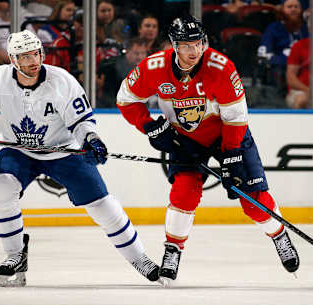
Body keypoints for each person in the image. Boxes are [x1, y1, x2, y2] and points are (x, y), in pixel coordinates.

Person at [0, 30, 162, 287]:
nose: (33, 60)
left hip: (63, 150)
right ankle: (14, 254)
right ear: (13, 60)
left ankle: (140, 258)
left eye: (36, 53)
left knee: (102, 204)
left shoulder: (62, 81)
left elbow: (81, 121)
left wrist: (91, 140)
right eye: (25, 57)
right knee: (0, 188)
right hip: (19, 151)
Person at [116, 14, 300, 283]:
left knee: (253, 200)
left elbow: (236, 116)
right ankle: (173, 249)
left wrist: (232, 156)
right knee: (184, 191)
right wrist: (149, 126)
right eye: (187, 45)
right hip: (185, 138)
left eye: (198, 44)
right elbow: (126, 98)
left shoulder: (221, 67)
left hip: (227, 133)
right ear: (174, 46)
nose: (194, 51)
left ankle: (279, 234)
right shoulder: (154, 67)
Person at [257, 0, 309, 97]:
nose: (293, 9)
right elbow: (263, 55)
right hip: (281, 71)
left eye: (296, 7)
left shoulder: (306, 29)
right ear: (282, 10)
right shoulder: (273, 28)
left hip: (306, 72)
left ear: (301, 10)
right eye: (289, 7)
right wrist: (288, 62)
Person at [97, 37, 148, 108]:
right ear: (127, 52)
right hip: (111, 110)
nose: (140, 57)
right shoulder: (113, 68)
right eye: (136, 53)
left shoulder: (146, 68)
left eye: (143, 53)